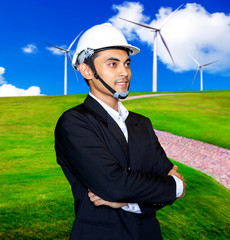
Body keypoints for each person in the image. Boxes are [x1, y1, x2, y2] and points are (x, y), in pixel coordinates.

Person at [54, 23, 186, 240]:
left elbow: (174, 185)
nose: (124, 72)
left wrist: (130, 200)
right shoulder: (74, 122)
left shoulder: (142, 123)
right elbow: (114, 185)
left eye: (127, 63)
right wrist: (173, 186)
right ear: (87, 70)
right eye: (112, 64)